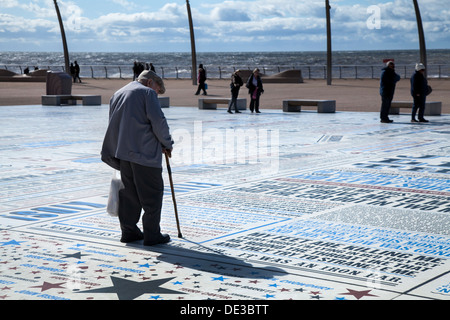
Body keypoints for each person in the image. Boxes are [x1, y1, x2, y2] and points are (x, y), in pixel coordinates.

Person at [101, 70, 174, 246]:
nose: (156, 94)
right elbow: (158, 121)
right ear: (150, 83)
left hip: (123, 153)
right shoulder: (147, 93)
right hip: (145, 153)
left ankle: (129, 231)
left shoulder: (118, 93)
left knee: (129, 195)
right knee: (152, 195)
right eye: (157, 90)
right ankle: (152, 234)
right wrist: (167, 143)